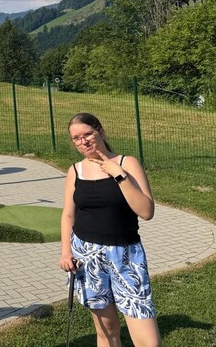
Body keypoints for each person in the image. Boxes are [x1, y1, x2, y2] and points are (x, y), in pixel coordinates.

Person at [59, 113, 161, 347]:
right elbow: (68, 215)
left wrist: (118, 175)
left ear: (101, 132)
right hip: (87, 257)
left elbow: (146, 211)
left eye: (88, 134)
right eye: (76, 138)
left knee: (148, 339)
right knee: (107, 332)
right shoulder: (75, 170)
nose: (83, 141)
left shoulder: (127, 163)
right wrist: (66, 252)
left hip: (126, 256)